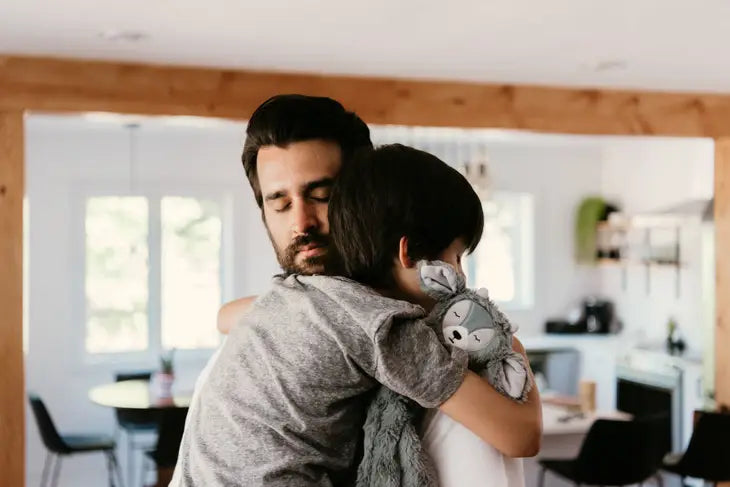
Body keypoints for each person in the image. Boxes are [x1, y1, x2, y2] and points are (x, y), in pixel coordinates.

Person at [173, 133, 541, 485]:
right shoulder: (386, 329)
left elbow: (230, 315)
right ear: (409, 253)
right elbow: (521, 437)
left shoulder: (294, 290)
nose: (460, 276)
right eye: (456, 258)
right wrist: (507, 344)